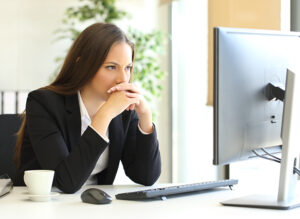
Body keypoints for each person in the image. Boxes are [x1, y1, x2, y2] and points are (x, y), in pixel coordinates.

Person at [13, 23, 161, 194]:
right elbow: (65, 182)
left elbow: (146, 177)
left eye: (127, 68)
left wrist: (145, 117)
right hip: (39, 205)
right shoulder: (43, 103)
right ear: (83, 65)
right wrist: (105, 114)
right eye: (111, 67)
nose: (123, 79)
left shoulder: (124, 111)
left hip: (90, 205)